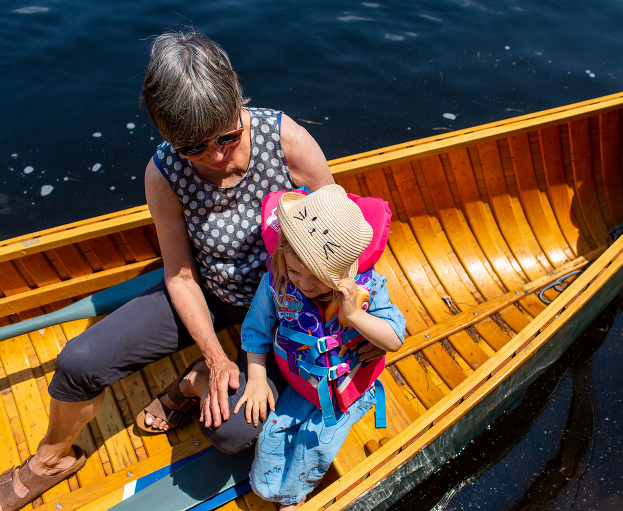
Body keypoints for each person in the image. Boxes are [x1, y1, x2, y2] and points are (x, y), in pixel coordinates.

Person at [0, 28, 334, 511]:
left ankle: (189, 383)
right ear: (166, 135)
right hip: (209, 290)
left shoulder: (288, 142)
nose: (217, 157)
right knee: (78, 362)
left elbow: (339, 238)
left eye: (228, 137)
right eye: (195, 148)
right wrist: (219, 357)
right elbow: (179, 276)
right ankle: (51, 460)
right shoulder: (163, 173)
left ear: (239, 103)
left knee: (233, 431)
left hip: (289, 301)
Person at [236, 184, 405, 510]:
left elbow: (394, 339)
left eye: (318, 278)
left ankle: (292, 499)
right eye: (297, 272)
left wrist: (354, 315)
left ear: (344, 271)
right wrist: (257, 377)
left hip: (347, 388)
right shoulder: (277, 280)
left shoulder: (366, 288)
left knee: (315, 446)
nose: (304, 284)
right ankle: (268, 489)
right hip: (303, 384)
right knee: (271, 435)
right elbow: (256, 329)